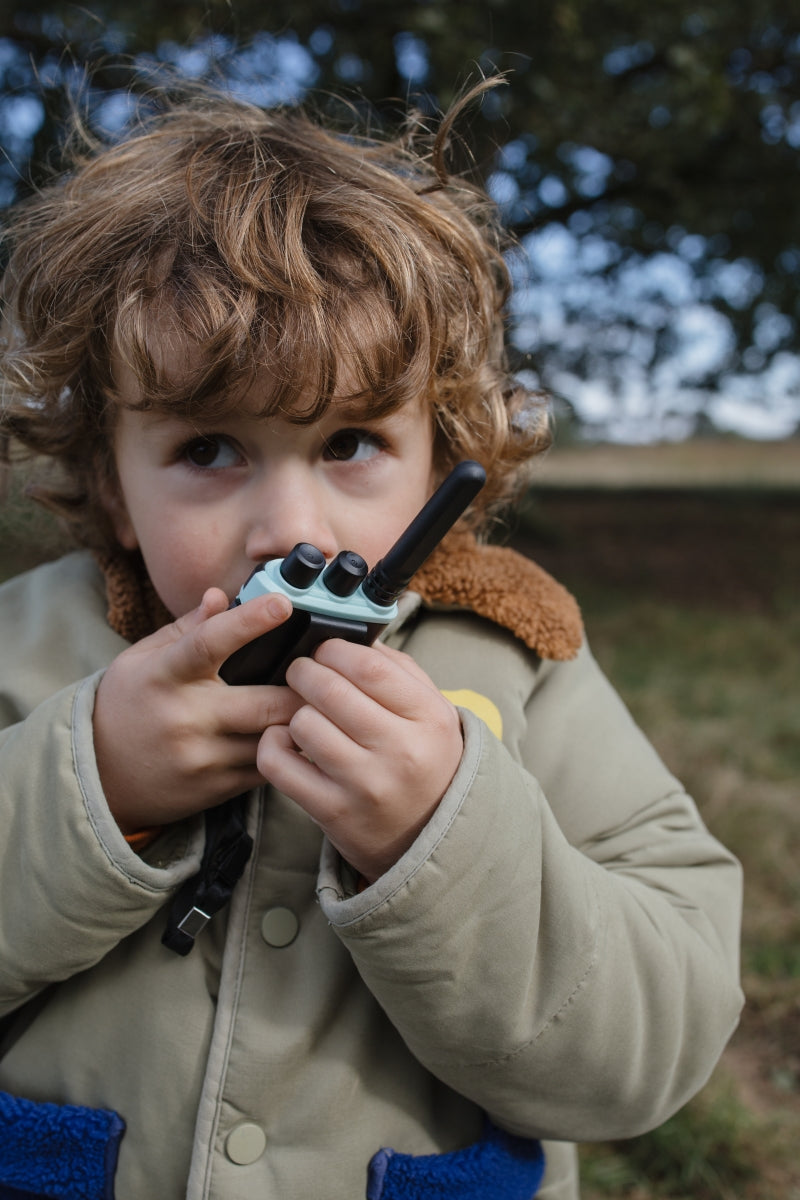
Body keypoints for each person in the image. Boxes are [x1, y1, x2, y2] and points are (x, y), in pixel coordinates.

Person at [0, 79, 743, 1200]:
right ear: (110, 482)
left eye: (349, 440)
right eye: (208, 449)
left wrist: (445, 840)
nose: (290, 528)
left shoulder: (517, 661)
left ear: (440, 451)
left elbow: (654, 1046)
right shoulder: (28, 645)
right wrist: (88, 784)